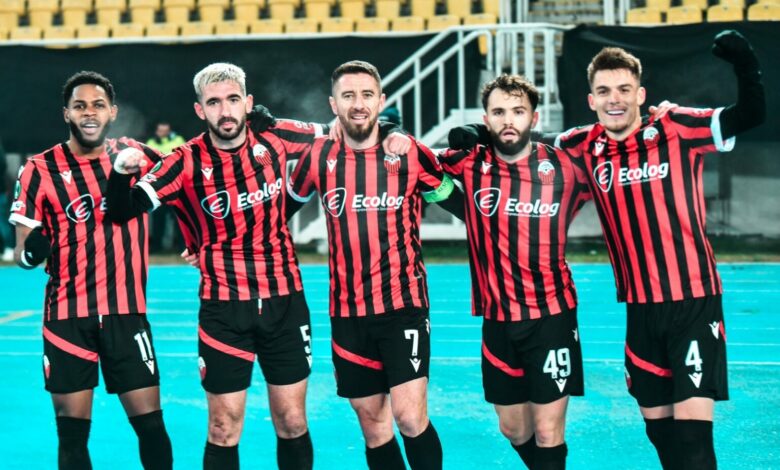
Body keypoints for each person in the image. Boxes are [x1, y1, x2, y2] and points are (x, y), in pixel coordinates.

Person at [451, 29, 765, 469]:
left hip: (694, 300)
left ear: (641, 94)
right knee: (660, 432)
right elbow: (521, 142)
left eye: (623, 89)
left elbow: (749, 115)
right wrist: (478, 134)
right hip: (639, 308)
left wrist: (745, 65)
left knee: (694, 436)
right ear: (591, 99)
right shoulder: (581, 146)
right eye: (604, 91)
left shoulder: (675, 127)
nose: (614, 99)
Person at [108, 62, 409, 470]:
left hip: (285, 302)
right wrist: (120, 174)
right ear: (200, 110)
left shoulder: (275, 134)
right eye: (214, 102)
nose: (225, 111)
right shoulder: (185, 160)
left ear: (248, 102)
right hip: (224, 309)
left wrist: (392, 131)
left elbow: (349, 128)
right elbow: (123, 211)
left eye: (233, 100)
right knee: (223, 427)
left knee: (292, 421)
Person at [287, 60, 463, 470]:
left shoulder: (409, 153)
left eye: (367, 95)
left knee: (410, 417)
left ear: (381, 101)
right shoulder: (319, 156)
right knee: (372, 423)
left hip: (403, 305)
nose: (358, 104)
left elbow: (460, 203)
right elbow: (277, 212)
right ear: (333, 104)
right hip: (348, 313)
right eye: (348, 95)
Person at [9, 71, 173, 470]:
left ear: (112, 112)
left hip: (125, 313)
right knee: (71, 435)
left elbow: (188, 172)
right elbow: (21, 254)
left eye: (98, 105)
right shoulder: (39, 169)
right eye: (79, 105)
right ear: (66, 113)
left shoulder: (135, 155)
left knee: (151, 427)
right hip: (66, 317)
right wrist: (32, 252)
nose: (89, 113)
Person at [438, 75, 590, 469]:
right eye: (499, 112)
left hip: (552, 315)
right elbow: (416, 165)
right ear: (486, 118)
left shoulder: (565, 165)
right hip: (497, 318)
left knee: (549, 431)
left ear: (533, 118)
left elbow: (608, 148)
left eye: (518, 111)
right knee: (513, 428)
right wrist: (390, 132)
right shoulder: (470, 162)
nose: (509, 120)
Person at [145, 122, 186, 253]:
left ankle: (182, 247)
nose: (163, 133)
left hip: (176, 187)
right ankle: (157, 247)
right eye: (160, 130)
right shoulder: (151, 142)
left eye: (165, 131)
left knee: (179, 219)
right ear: (156, 131)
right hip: (158, 187)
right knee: (158, 219)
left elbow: (183, 159)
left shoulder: (178, 140)